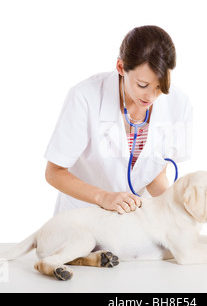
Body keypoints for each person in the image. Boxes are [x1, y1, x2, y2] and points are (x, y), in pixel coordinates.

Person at [44, 25, 192, 215]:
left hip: (135, 220)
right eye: (143, 85)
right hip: (84, 217)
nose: (151, 96)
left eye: (160, 87)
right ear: (121, 67)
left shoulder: (179, 104)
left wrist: (175, 209)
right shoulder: (85, 97)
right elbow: (54, 172)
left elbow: (156, 174)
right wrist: (103, 197)